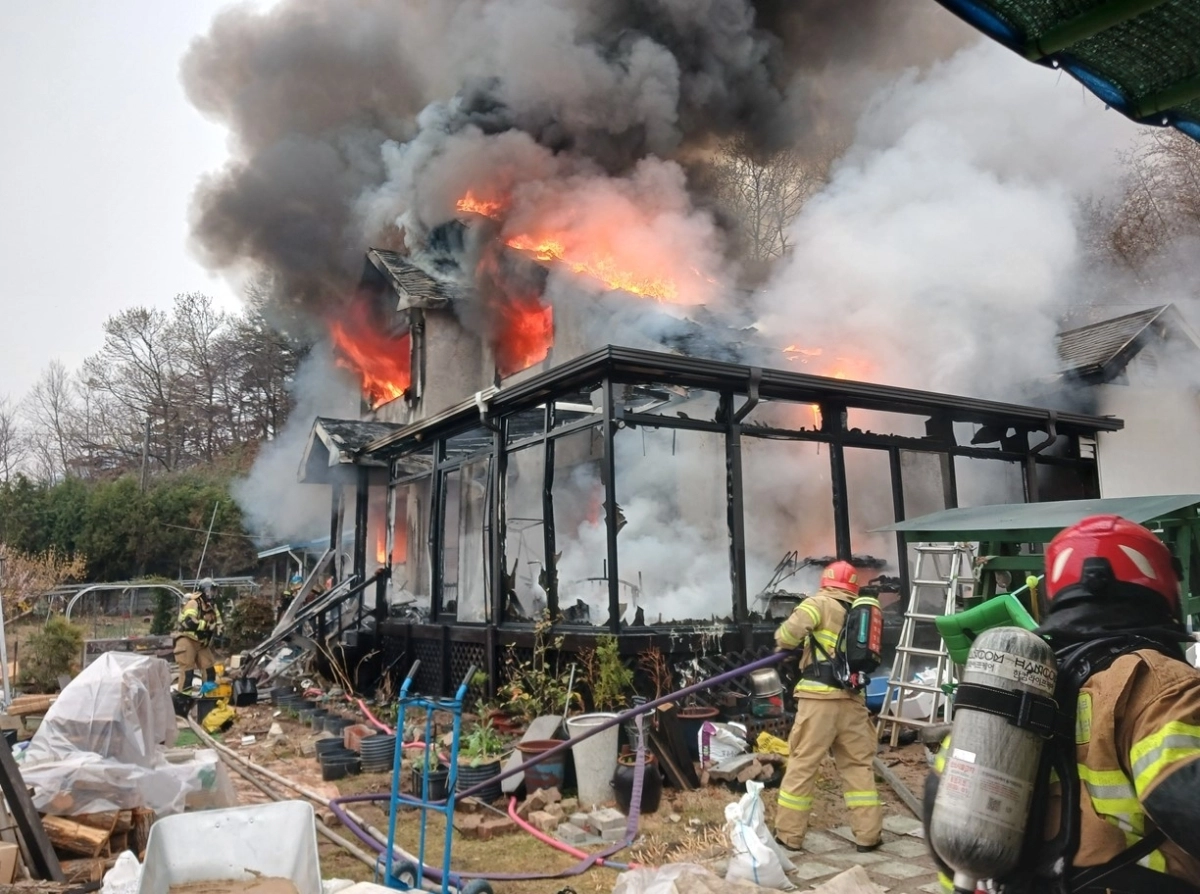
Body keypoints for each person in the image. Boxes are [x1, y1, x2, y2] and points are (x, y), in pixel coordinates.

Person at [926, 515, 1200, 892]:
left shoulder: (1020, 681)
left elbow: (938, 797)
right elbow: (1185, 799)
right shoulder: (1157, 681)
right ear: (1161, 585)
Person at [773, 560, 884, 852]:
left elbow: (787, 635)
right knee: (858, 766)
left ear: (826, 582)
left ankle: (789, 836)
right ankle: (868, 835)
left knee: (803, 765)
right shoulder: (861, 611)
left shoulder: (818, 603)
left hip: (818, 700)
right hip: (853, 701)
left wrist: (788, 644)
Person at [173, 577, 223, 694]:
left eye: (215, 591)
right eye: (212, 590)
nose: (213, 593)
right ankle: (183, 701)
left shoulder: (212, 607)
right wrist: (207, 626)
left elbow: (218, 622)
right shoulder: (193, 603)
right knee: (187, 672)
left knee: (209, 669)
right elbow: (189, 622)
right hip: (187, 640)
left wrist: (220, 632)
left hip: (202, 642)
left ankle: (208, 699)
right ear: (205, 591)